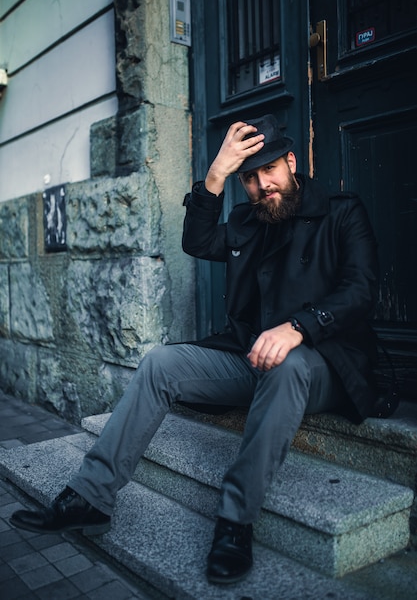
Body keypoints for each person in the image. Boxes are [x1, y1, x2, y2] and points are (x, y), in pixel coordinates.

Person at [10, 114, 379, 585]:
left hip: (323, 361)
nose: (262, 184)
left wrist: (299, 327)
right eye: (249, 176)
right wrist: (214, 176)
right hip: (250, 358)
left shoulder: (342, 212)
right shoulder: (249, 220)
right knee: (161, 362)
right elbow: (197, 240)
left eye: (269, 170)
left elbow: (361, 291)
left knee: (287, 365)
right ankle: (90, 496)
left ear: (291, 162)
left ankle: (235, 521)